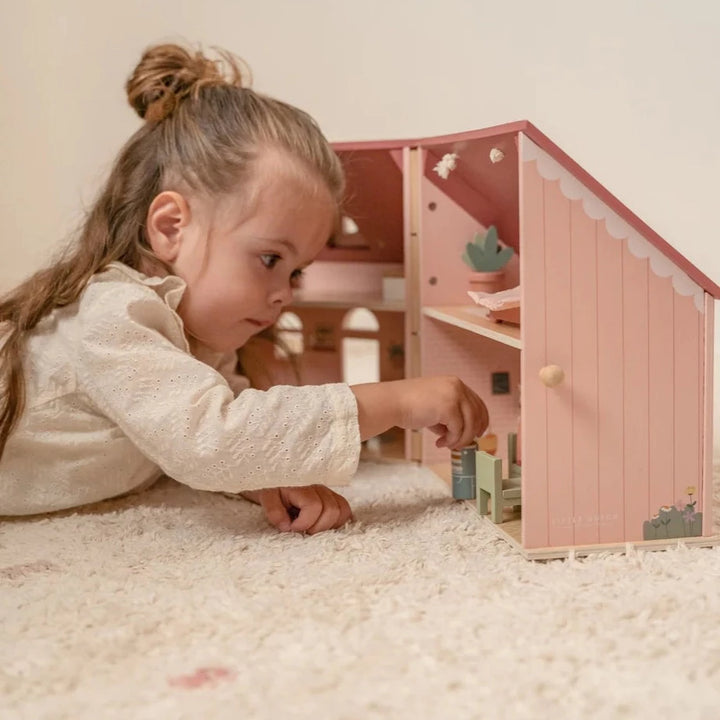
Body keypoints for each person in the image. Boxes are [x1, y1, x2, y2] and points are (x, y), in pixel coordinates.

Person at [0, 43, 489, 533]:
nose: (286, 293)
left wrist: (263, 477)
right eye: (271, 259)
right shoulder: (113, 314)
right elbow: (213, 437)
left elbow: (216, 440)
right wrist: (396, 402)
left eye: (296, 272)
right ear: (171, 228)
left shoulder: (198, 339)